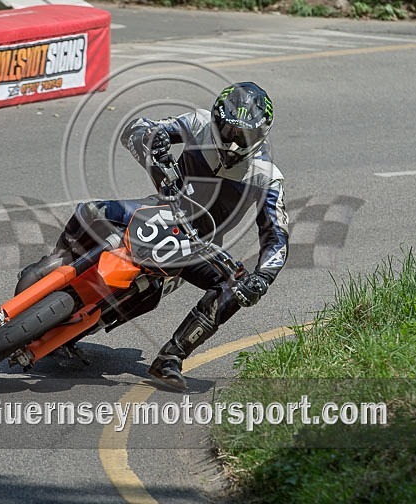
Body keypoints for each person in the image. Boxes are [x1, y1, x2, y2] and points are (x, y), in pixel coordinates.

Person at [16, 82, 289, 390]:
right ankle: (59, 260)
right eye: (228, 131)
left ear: (263, 134)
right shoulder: (197, 123)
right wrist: (153, 140)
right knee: (92, 209)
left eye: (246, 136)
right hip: (160, 209)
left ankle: (171, 358)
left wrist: (262, 278)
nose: (235, 143)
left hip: (197, 245)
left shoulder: (268, 177)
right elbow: (135, 129)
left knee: (231, 287)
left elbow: (277, 238)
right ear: (215, 120)